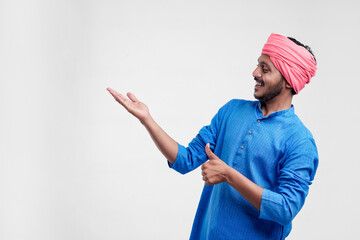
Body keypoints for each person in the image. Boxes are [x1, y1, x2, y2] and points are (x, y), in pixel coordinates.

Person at [107, 33, 318, 240]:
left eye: (265, 69)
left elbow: (286, 209)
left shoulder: (299, 140)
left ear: (289, 81)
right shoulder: (232, 111)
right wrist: (147, 119)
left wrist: (229, 175)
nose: (255, 72)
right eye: (257, 65)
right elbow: (185, 160)